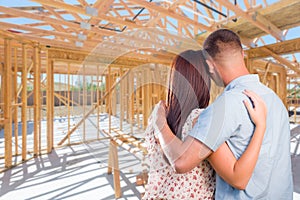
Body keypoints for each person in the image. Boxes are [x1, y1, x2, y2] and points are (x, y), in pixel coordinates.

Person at [153, 29, 293, 199]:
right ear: (242, 53)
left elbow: (181, 162)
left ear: (210, 64)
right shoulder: (275, 100)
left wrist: (159, 120)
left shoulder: (223, 107)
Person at [143, 49, 267, 199]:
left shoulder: (158, 114)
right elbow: (238, 179)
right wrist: (261, 126)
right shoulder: (202, 119)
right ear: (204, 80)